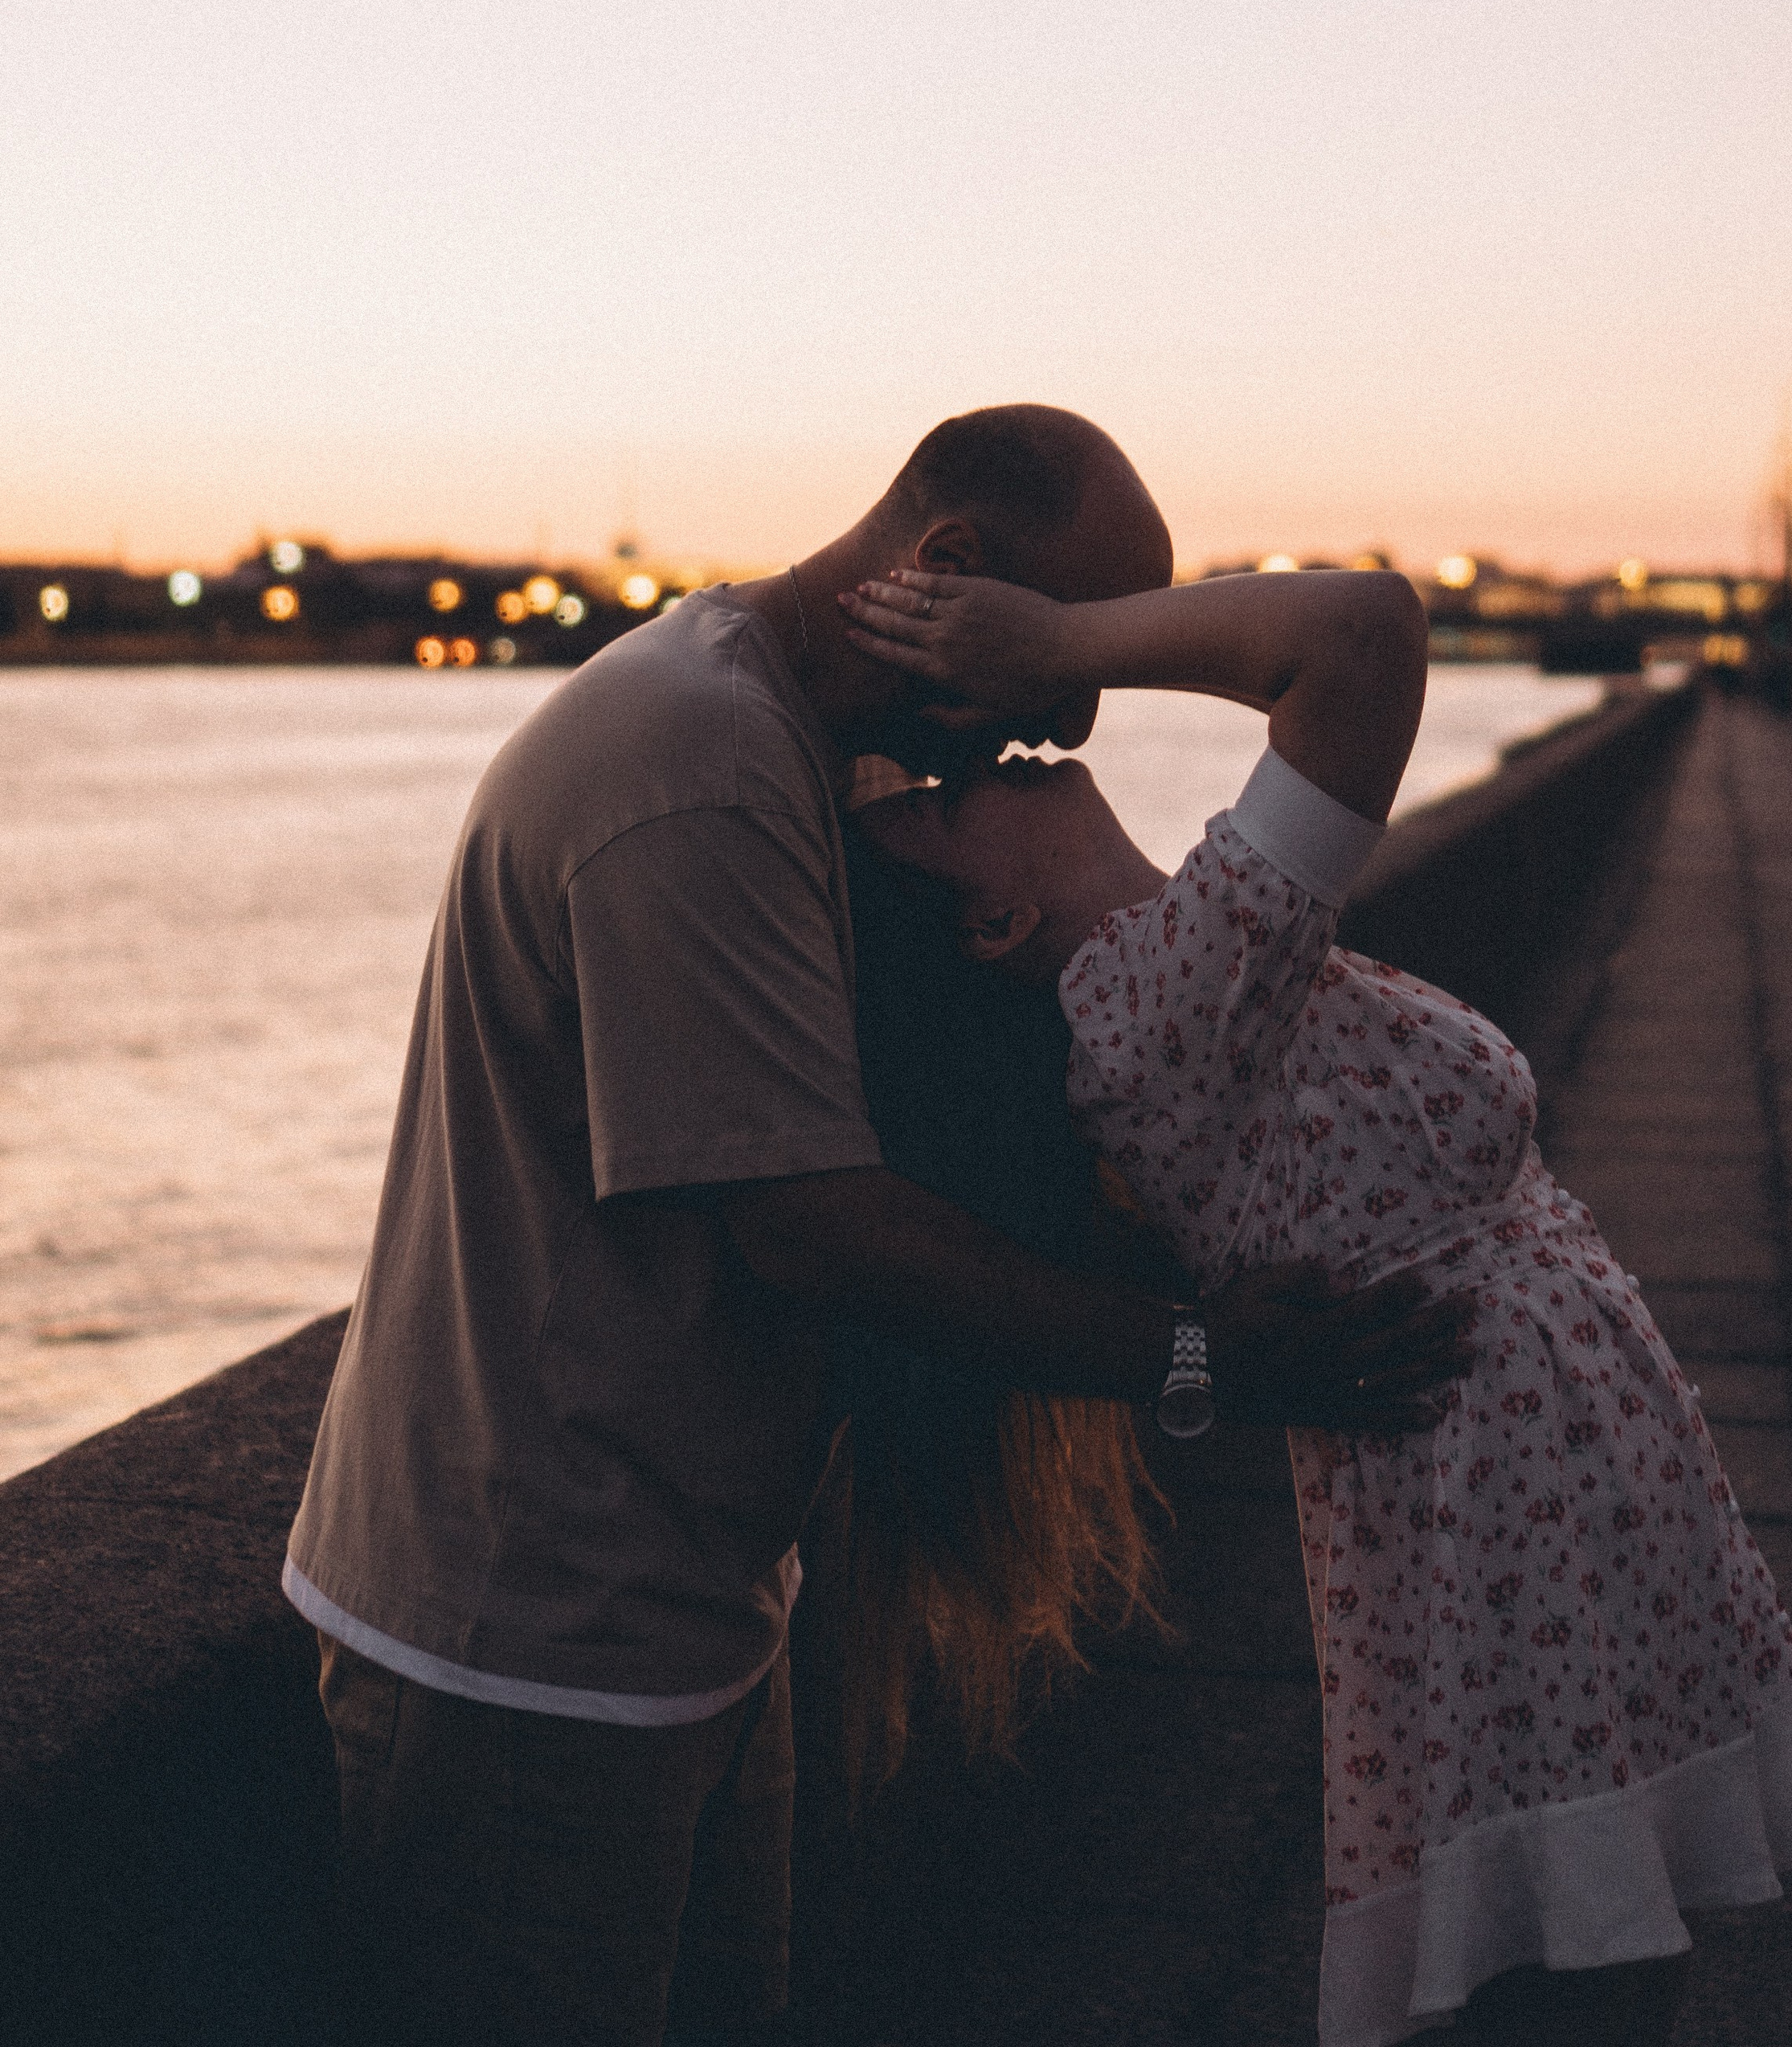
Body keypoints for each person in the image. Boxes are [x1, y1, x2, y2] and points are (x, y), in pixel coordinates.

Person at [284, 408, 1478, 2047]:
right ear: (947, 574)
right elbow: (813, 1231)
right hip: (530, 1632)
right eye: (1057, 648)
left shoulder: (800, 747)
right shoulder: (696, 767)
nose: (1072, 710)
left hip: (681, 1589)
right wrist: (1204, 1359)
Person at [844, 558, 1792, 2047]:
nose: (977, 760)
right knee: (1577, 1968)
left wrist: (952, 694)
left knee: (1589, 1938)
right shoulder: (1154, 1005)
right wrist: (1061, 637)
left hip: (1525, 1472)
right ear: (991, 926)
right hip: (1493, 1486)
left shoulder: (1177, 977)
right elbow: (1362, 636)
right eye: (938, 797)